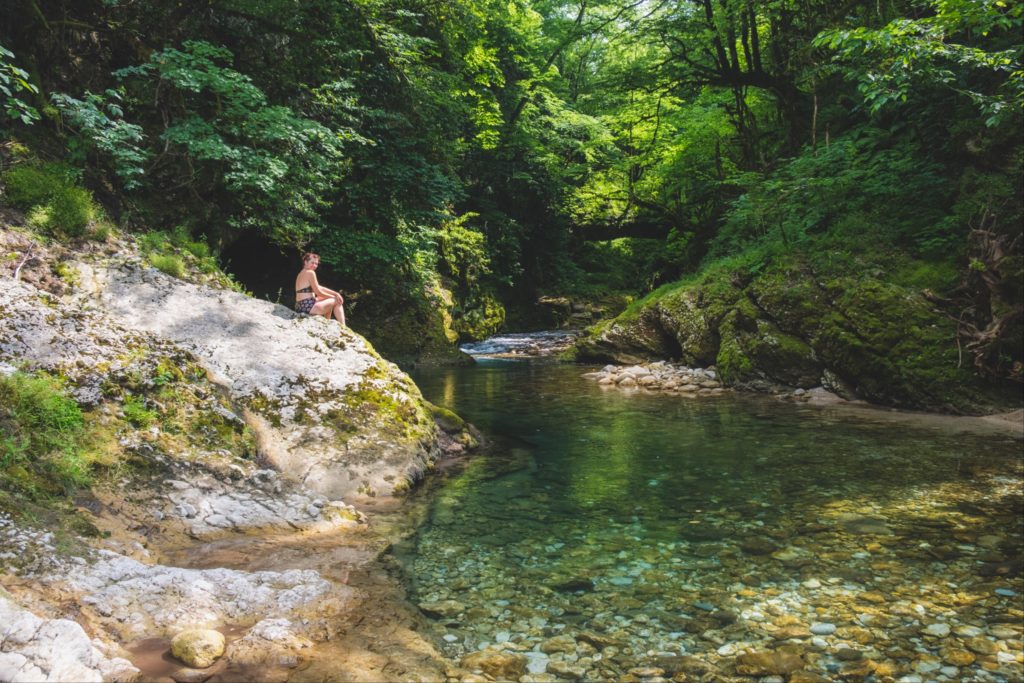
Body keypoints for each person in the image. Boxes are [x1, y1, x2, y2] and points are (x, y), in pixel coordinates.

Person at [294, 252, 346, 326]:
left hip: (300, 306)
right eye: (312, 263)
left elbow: (319, 287)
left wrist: (335, 293)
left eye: (316, 264)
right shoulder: (310, 273)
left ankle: (326, 322)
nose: (314, 265)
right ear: (305, 262)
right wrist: (334, 297)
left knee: (327, 298)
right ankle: (343, 326)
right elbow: (318, 292)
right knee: (337, 301)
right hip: (308, 307)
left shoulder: (301, 273)